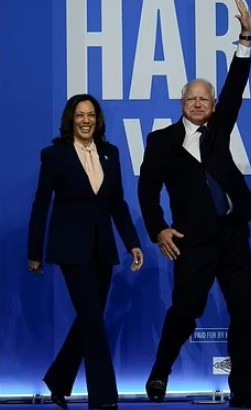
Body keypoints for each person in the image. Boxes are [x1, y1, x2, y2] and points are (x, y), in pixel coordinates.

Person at [138, 1, 251, 408]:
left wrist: (245, 38)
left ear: (212, 105)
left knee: (244, 313)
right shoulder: (161, 141)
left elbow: (235, 86)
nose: (197, 103)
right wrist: (158, 229)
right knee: (184, 311)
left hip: (232, 236)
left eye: (204, 98)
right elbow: (147, 190)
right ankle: (160, 371)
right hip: (191, 242)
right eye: (191, 98)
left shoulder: (218, 131)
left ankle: (242, 393)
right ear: (182, 103)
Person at [27, 94, 144, 410]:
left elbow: (117, 203)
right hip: (71, 249)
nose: (86, 120)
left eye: (91, 115)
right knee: (92, 321)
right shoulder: (55, 155)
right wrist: (34, 251)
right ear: (71, 118)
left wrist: (132, 242)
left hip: (103, 249)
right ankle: (104, 398)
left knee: (89, 319)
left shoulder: (110, 153)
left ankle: (58, 379)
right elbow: (41, 204)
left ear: (98, 119)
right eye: (80, 115)